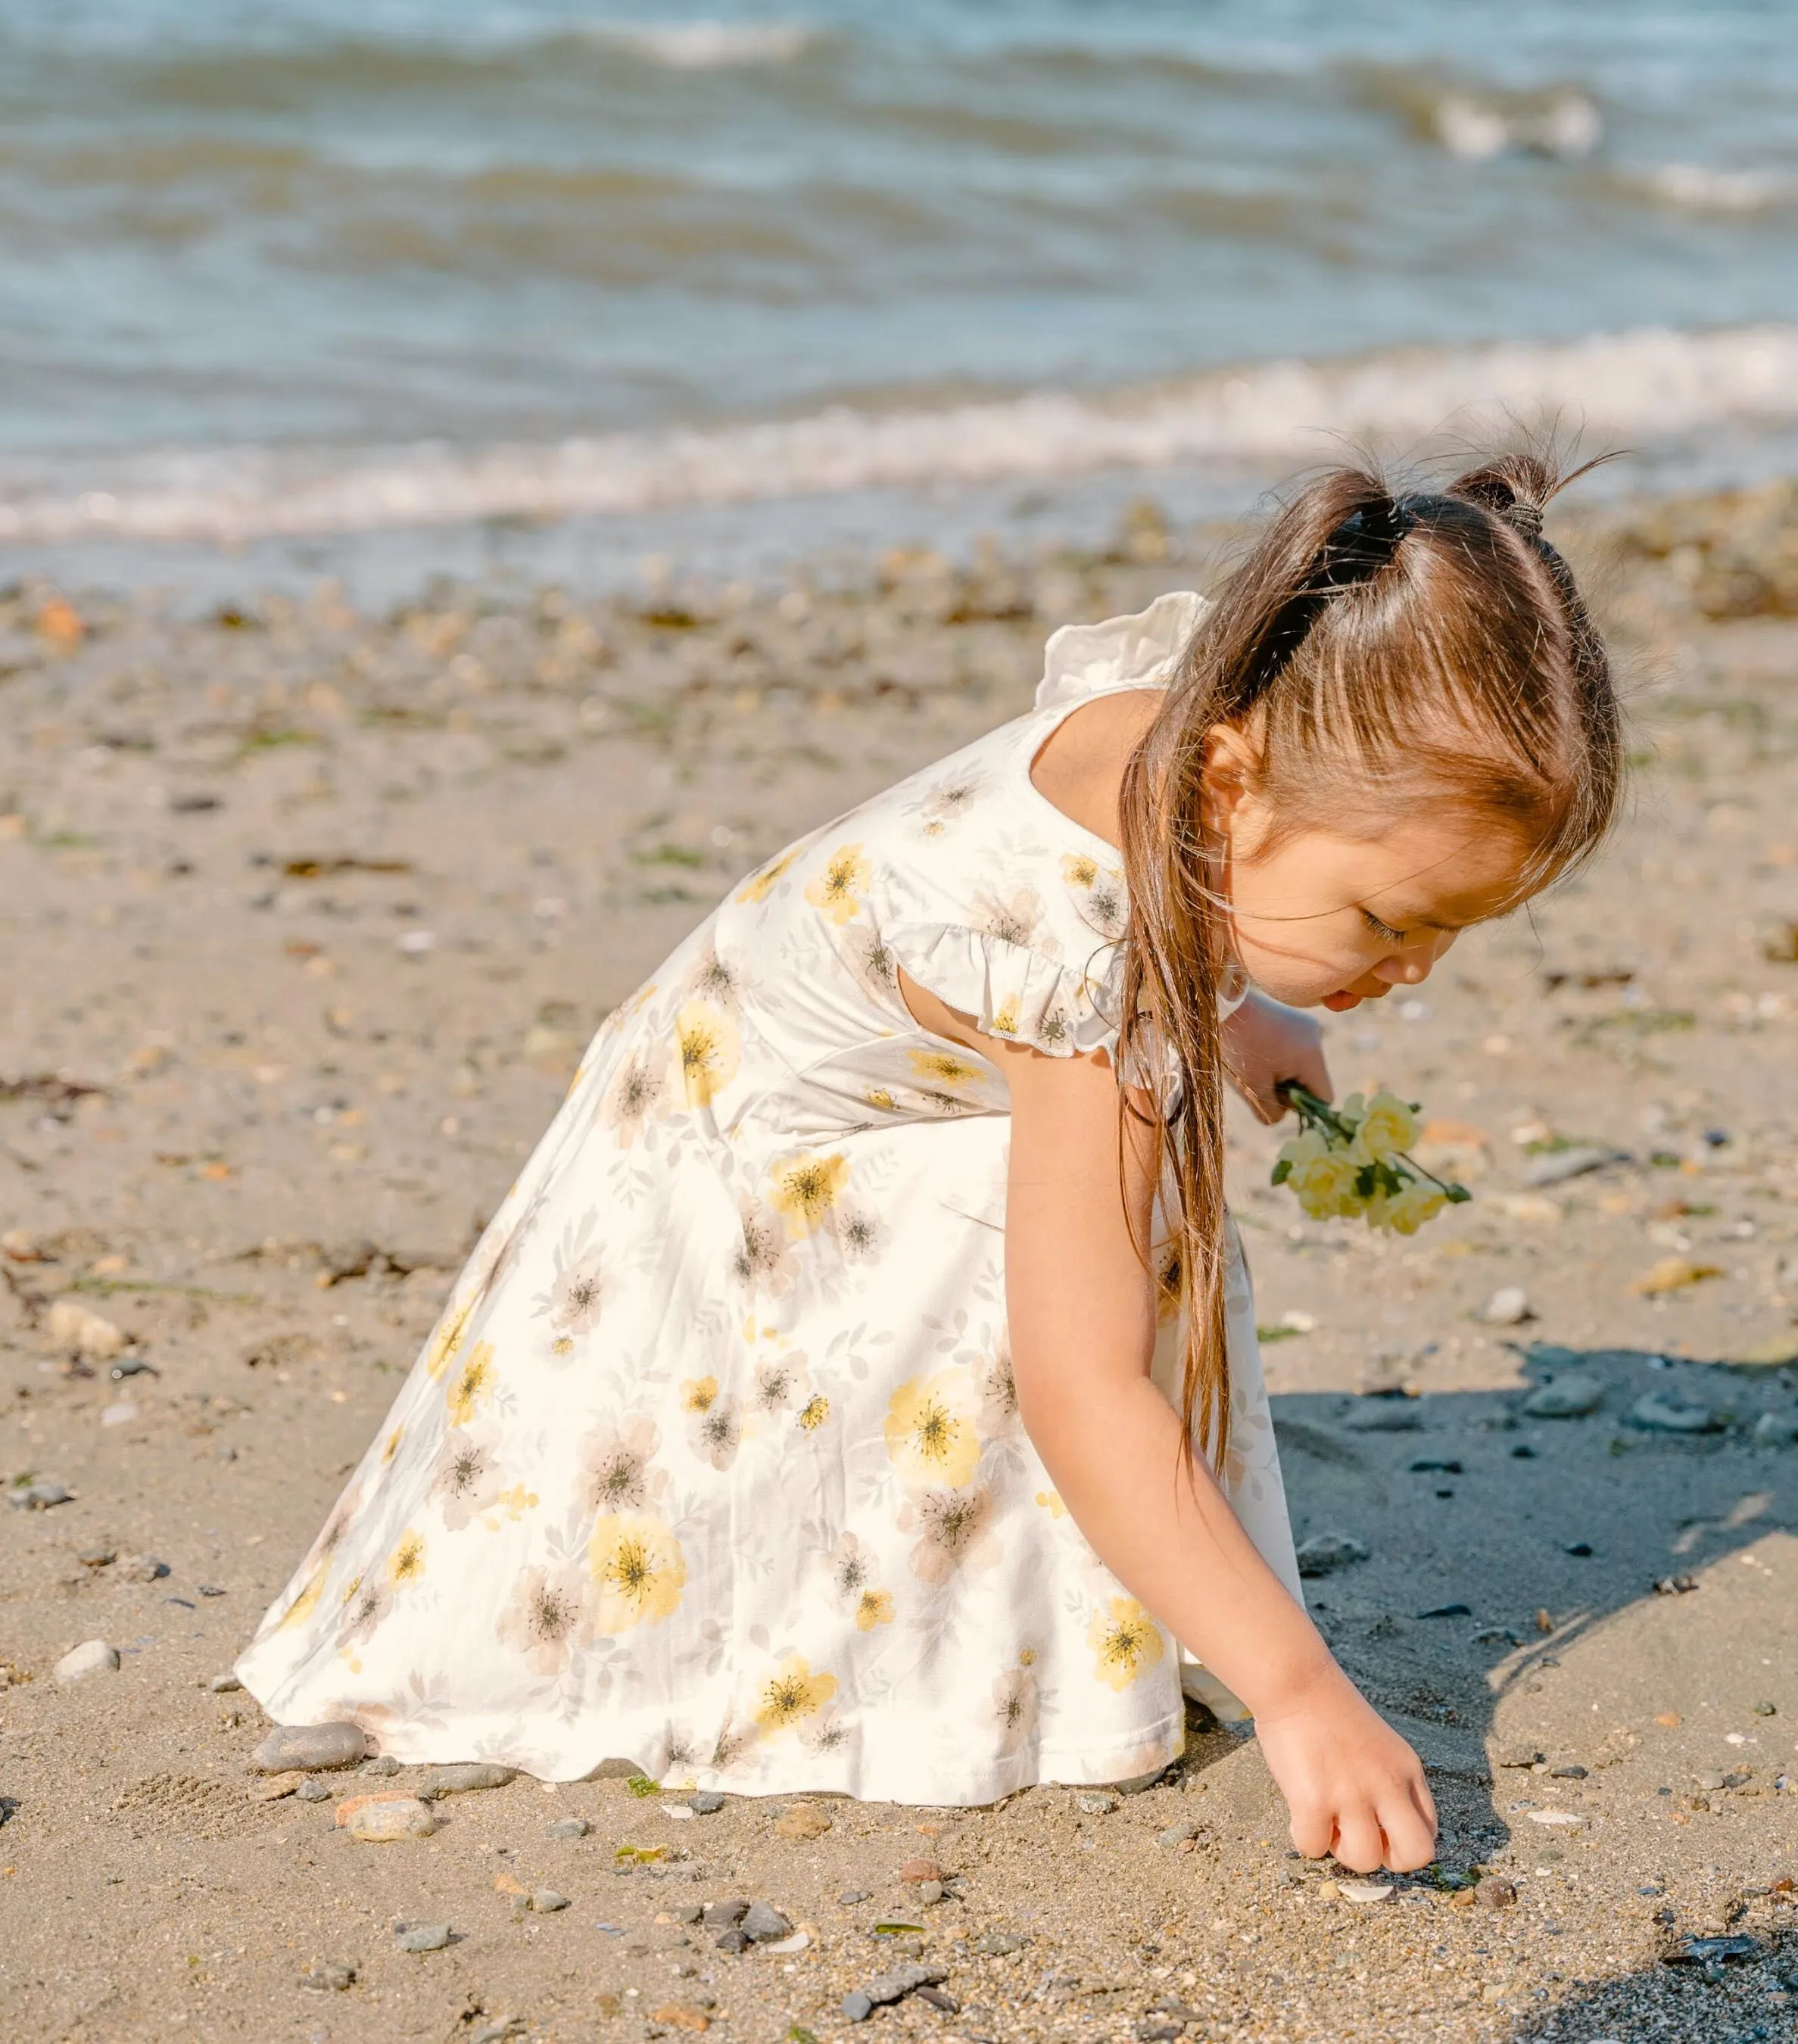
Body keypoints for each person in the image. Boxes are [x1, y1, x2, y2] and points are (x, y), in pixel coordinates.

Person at [237, 451, 1622, 1875]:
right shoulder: (1088, 961)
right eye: (1392, 919)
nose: (1418, 970)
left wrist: (1258, 1002)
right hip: (726, 1193)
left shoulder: (1206, 721)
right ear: (1232, 783)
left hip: (721, 1067)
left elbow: (1197, 895)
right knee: (1098, 1238)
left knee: (1123, 1180)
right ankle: (903, 1652)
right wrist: (1299, 1690)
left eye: (1454, 932)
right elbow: (1086, 1387)